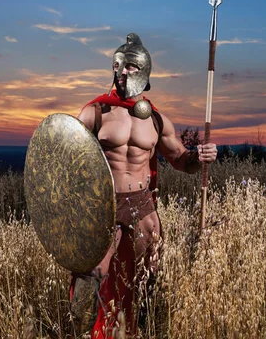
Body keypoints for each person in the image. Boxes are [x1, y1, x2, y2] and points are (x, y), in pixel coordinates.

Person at [70, 33, 218, 338]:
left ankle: (141, 332)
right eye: (119, 65)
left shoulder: (157, 120)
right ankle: (81, 333)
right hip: (104, 205)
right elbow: (66, 162)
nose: (123, 72)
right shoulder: (94, 113)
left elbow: (179, 159)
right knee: (91, 278)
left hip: (142, 205)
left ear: (145, 73)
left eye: (131, 67)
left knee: (146, 280)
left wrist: (200, 157)